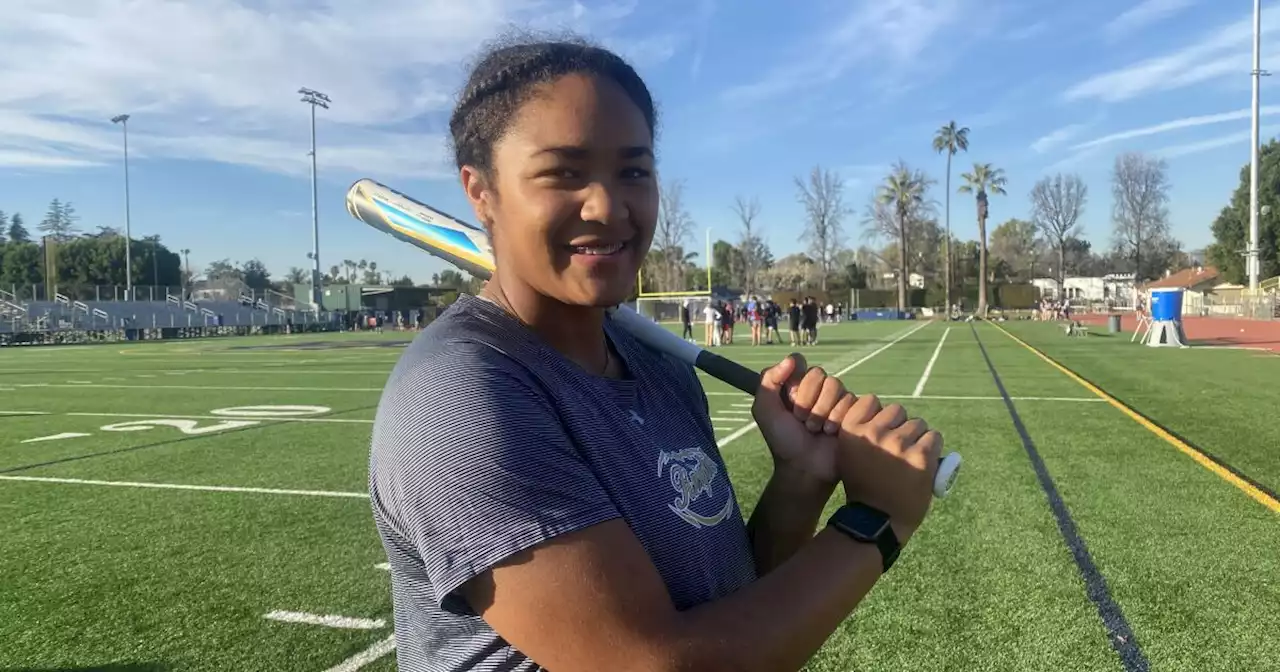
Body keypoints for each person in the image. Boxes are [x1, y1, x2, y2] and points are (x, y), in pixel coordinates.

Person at [368, 34, 943, 672]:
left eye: (633, 171)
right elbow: (645, 664)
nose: (609, 207)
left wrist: (801, 478)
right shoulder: (457, 394)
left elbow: (732, 608)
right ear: (480, 191)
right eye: (563, 172)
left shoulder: (663, 368)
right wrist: (875, 522)